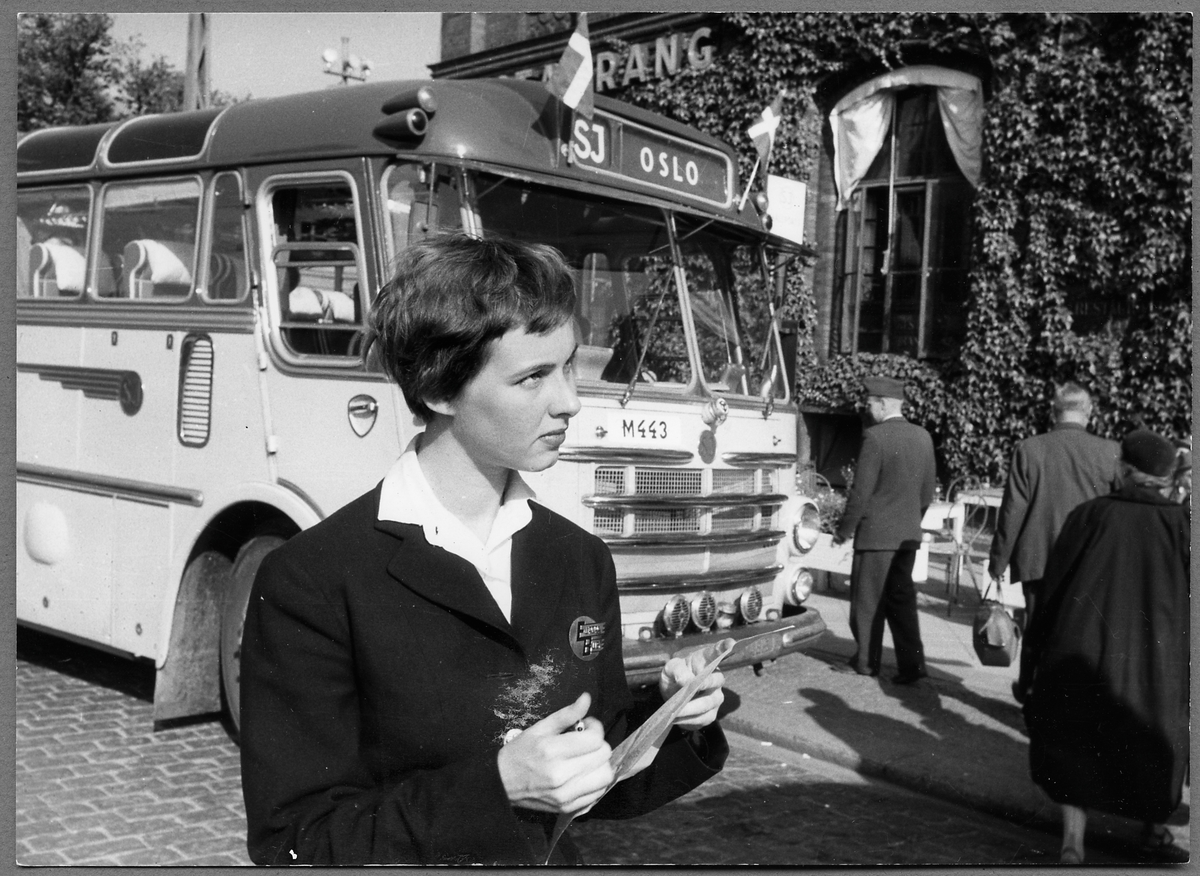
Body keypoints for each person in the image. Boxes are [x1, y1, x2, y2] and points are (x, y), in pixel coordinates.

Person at [238, 233, 729, 866]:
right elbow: (296, 842)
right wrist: (498, 789)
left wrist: (672, 716)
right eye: (532, 377)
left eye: (568, 366)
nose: (571, 401)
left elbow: (597, 771)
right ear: (439, 390)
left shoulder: (578, 557)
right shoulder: (313, 580)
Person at [1020, 429, 1189, 865]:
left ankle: (1072, 844)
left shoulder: (1089, 515)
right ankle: (1153, 832)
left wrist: (1032, 657)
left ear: (1125, 469)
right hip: (1157, 660)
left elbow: (1054, 588)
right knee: (1154, 740)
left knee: (1076, 740)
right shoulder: (1182, 525)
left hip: (1084, 649)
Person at [986, 382, 1120, 701]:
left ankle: (1030, 689)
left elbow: (1012, 511)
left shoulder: (1029, 449)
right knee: (1081, 630)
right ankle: (1067, 698)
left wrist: (998, 561)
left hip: (1039, 557)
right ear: (1089, 411)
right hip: (1089, 560)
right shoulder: (1110, 452)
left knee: (1037, 626)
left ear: (1053, 411)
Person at [832, 375, 936, 684]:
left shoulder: (875, 438)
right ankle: (913, 666)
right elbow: (927, 492)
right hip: (907, 537)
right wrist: (911, 520)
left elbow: (860, 493)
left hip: (875, 537)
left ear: (882, 404)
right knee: (902, 602)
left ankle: (866, 662)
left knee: (867, 603)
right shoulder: (923, 437)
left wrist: (844, 530)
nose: (867, 408)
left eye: (869, 403)